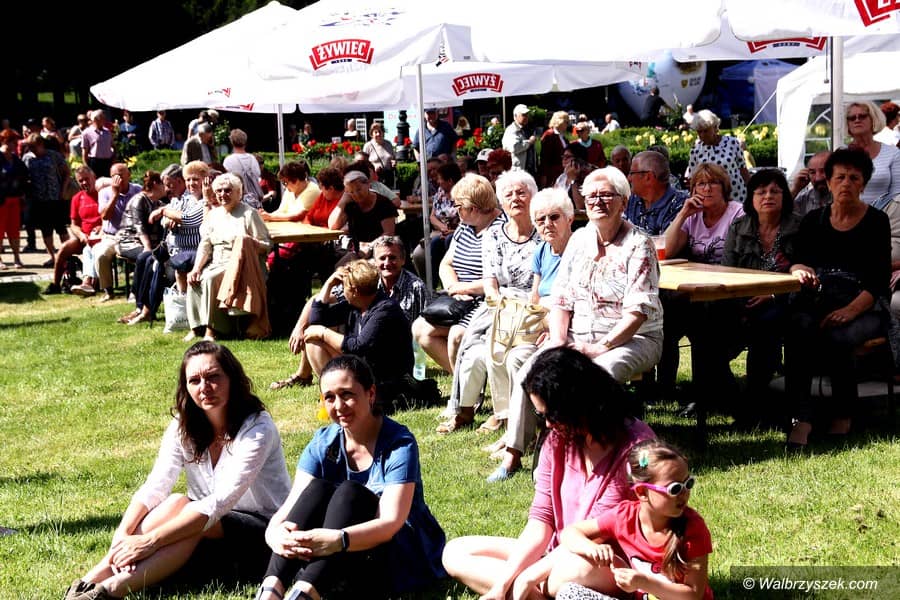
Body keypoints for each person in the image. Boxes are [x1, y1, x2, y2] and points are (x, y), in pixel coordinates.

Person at [64, 341, 291, 600]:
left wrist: (150, 541)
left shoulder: (258, 428)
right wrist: (124, 534)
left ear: (232, 379)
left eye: (213, 377)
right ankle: (86, 584)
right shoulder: (183, 426)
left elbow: (221, 501)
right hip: (205, 527)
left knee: (192, 513)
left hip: (265, 533)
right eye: (194, 380)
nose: (204, 387)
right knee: (176, 501)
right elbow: (156, 485)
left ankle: (109, 591)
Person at [492, 167, 664, 482]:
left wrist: (599, 347)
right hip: (576, 336)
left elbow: (638, 312)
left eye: (607, 195)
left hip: (632, 339)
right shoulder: (579, 240)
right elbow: (561, 299)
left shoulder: (639, 245)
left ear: (624, 202)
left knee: (597, 375)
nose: (598, 201)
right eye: (591, 196)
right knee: (531, 369)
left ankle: (579, 454)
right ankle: (513, 454)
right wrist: (558, 342)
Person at [442, 347, 656, 599]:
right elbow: (541, 521)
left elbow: (599, 535)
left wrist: (528, 577)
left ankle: (537, 591)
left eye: (552, 414)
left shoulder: (636, 448)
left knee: (572, 572)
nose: (548, 424)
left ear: (577, 402)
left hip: (608, 561)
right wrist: (504, 582)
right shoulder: (557, 440)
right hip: (560, 552)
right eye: (540, 414)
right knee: (456, 552)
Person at [255, 355, 446, 600]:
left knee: (350, 492)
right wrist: (274, 535)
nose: (338, 406)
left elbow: (390, 523)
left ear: (371, 393)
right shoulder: (323, 442)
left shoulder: (399, 444)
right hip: (338, 553)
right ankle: (271, 590)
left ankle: (305, 593)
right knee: (318, 489)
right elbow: (291, 507)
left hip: (394, 553)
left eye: (347, 394)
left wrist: (339, 539)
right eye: (329, 397)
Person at [785, 147, 891, 449]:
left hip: (866, 305)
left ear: (863, 184)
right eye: (840, 177)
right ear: (829, 182)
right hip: (820, 300)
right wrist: (799, 269)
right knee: (798, 328)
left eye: (854, 178)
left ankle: (843, 413)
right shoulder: (813, 220)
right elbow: (797, 260)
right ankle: (802, 418)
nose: (846, 183)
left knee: (838, 335)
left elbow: (878, 281)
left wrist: (851, 310)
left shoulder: (877, 221)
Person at [436, 170, 540, 435]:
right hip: (498, 302)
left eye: (521, 193)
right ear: (501, 201)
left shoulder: (543, 233)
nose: (515, 199)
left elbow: (543, 283)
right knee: (472, 349)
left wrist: (517, 310)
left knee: (499, 351)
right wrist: (496, 302)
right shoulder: (494, 235)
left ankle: (501, 414)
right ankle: (464, 410)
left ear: (533, 196)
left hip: (532, 305)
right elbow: (490, 280)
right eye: (509, 194)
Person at [553, 439, 712, 600]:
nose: (684, 493)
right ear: (642, 492)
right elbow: (570, 533)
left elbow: (693, 595)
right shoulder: (625, 516)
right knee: (568, 592)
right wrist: (591, 548)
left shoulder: (693, 528)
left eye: (688, 483)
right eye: (675, 488)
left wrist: (645, 583)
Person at [481, 187, 575, 457]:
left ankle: (524, 436)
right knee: (508, 354)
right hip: (542, 324)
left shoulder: (577, 251)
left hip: (567, 327)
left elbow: (577, 301)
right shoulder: (542, 251)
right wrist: (536, 325)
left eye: (554, 217)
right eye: (541, 219)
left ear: (569, 218)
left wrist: (553, 329)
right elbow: (535, 297)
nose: (547, 224)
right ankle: (516, 429)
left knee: (522, 361)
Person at [660, 163, 745, 416]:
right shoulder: (693, 216)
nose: (706, 189)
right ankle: (666, 388)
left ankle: (704, 395)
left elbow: (735, 260)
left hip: (730, 290)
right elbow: (668, 250)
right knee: (666, 312)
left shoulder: (737, 213)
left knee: (702, 323)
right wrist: (683, 214)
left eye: (712, 183)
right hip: (698, 290)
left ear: (724, 187)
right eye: (700, 184)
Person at [723, 169, 802, 421]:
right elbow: (727, 270)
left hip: (785, 300)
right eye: (761, 192)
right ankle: (725, 395)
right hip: (742, 297)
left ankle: (755, 402)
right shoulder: (739, 227)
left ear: (784, 196)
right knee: (709, 325)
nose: (768, 196)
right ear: (751, 198)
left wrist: (773, 294)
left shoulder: (799, 227)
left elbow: (805, 272)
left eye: (775, 191)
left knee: (765, 325)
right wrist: (740, 301)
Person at [412, 174, 504, 373]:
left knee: (458, 334)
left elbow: (500, 279)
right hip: (459, 298)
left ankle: (468, 383)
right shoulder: (465, 226)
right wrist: (453, 288)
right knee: (420, 329)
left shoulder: (502, 230)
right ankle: (462, 380)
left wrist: (465, 288)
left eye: (458, 206)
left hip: (487, 301)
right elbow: (446, 264)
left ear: (473, 208)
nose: (455, 210)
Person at [304, 259, 414, 396]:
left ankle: (349, 395)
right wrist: (328, 284)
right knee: (313, 341)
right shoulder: (356, 305)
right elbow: (316, 320)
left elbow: (359, 347)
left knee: (317, 336)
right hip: (366, 369)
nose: (342, 292)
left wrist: (324, 333)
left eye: (343, 287)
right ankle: (336, 393)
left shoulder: (385, 309)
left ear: (354, 291)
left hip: (389, 381)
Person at [185, 173, 271, 342]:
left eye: (227, 190)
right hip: (216, 260)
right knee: (195, 278)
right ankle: (196, 328)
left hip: (242, 264)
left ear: (238, 192)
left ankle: (213, 330)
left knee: (210, 279)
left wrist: (248, 243)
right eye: (219, 191)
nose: (222, 194)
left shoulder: (249, 214)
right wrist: (196, 268)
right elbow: (205, 245)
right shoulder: (213, 215)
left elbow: (267, 244)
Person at [22, 133, 70, 267]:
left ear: (41, 144)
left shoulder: (54, 156)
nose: (31, 149)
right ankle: (53, 257)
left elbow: (67, 172)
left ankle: (68, 257)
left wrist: (63, 190)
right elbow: (24, 177)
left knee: (61, 229)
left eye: (33, 146)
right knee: (46, 231)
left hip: (56, 198)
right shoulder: (27, 158)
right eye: (29, 147)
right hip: (39, 200)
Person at [328, 169, 397, 260]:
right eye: (351, 192)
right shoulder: (350, 204)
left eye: (359, 189)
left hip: (380, 252)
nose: (356, 194)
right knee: (338, 267)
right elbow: (333, 226)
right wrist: (342, 202)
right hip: (357, 252)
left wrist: (370, 246)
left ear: (368, 185)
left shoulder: (383, 203)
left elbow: (389, 233)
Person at [411, 162, 462, 281]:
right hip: (440, 231)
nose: (438, 181)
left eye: (440, 179)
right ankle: (429, 284)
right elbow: (432, 216)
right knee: (418, 254)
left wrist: (452, 231)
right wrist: (443, 227)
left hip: (458, 231)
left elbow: (467, 218)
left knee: (441, 243)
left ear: (450, 181)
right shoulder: (441, 192)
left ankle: (450, 280)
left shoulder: (462, 193)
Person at [685, 109, 749, 203]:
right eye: (699, 132)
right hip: (711, 199)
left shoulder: (732, 142)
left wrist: (752, 191)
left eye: (706, 131)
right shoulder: (696, 151)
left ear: (715, 128)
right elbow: (693, 179)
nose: (702, 135)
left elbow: (742, 169)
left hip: (737, 195)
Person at [845, 100, 900, 209]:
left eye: (862, 116)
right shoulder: (840, 155)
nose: (857, 120)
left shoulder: (893, 153)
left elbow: (897, 194)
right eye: (852, 118)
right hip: (848, 214)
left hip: (886, 215)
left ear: (873, 119)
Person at [625, 150, 688, 236]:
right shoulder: (631, 199)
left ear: (648, 177)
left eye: (632, 173)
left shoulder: (679, 205)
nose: (628, 178)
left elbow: (665, 242)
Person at [0, 142, 28, 270]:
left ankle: (17, 258)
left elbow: (25, 177)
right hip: (1, 201)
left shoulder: (17, 161)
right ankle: (0, 260)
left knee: (14, 231)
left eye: (11, 144)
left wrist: (23, 193)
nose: (9, 148)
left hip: (15, 200)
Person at [223, 129, 265, 207]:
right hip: (254, 200)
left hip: (237, 200)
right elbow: (258, 175)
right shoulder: (252, 158)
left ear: (232, 142)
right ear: (245, 142)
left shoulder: (228, 160)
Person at [790, 150, 832, 217]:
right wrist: (796, 188)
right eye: (813, 172)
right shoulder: (805, 199)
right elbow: (779, 212)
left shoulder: (843, 196)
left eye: (823, 171)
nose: (818, 178)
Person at [539, 111, 571, 189]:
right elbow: (544, 158)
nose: (568, 125)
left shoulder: (562, 136)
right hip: (552, 175)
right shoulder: (549, 135)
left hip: (562, 173)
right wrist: (544, 176)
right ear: (559, 122)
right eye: (566, 122)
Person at [503, 104, 537, 175]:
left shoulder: (527, 129)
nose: (526, 117)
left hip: (529, 171)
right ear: (515, 116)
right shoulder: (511, 130)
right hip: (516, 172)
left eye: (527, 115)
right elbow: (514, 147)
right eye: (523, 115)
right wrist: (530, 142)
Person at [361, 122, 396, 188]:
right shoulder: (368, 146)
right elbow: (363, 163)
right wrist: (374, 166)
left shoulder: (388, 144)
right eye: (376, 132)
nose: (378, 134)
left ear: (383, 132)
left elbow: (393, 158)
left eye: (380, 131)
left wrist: (393, 162)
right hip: (374, 178)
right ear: (371, 134)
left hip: (388, 177)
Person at [81, 109, 115, 178]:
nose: (105, 120)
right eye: (102, 118)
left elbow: (113, 146)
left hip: (107, 162)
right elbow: (84, 152)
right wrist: (86, 166)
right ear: (95, 119)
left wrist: (113, 159)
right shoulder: (87, 133)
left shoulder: (107, 131)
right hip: (95, 162)